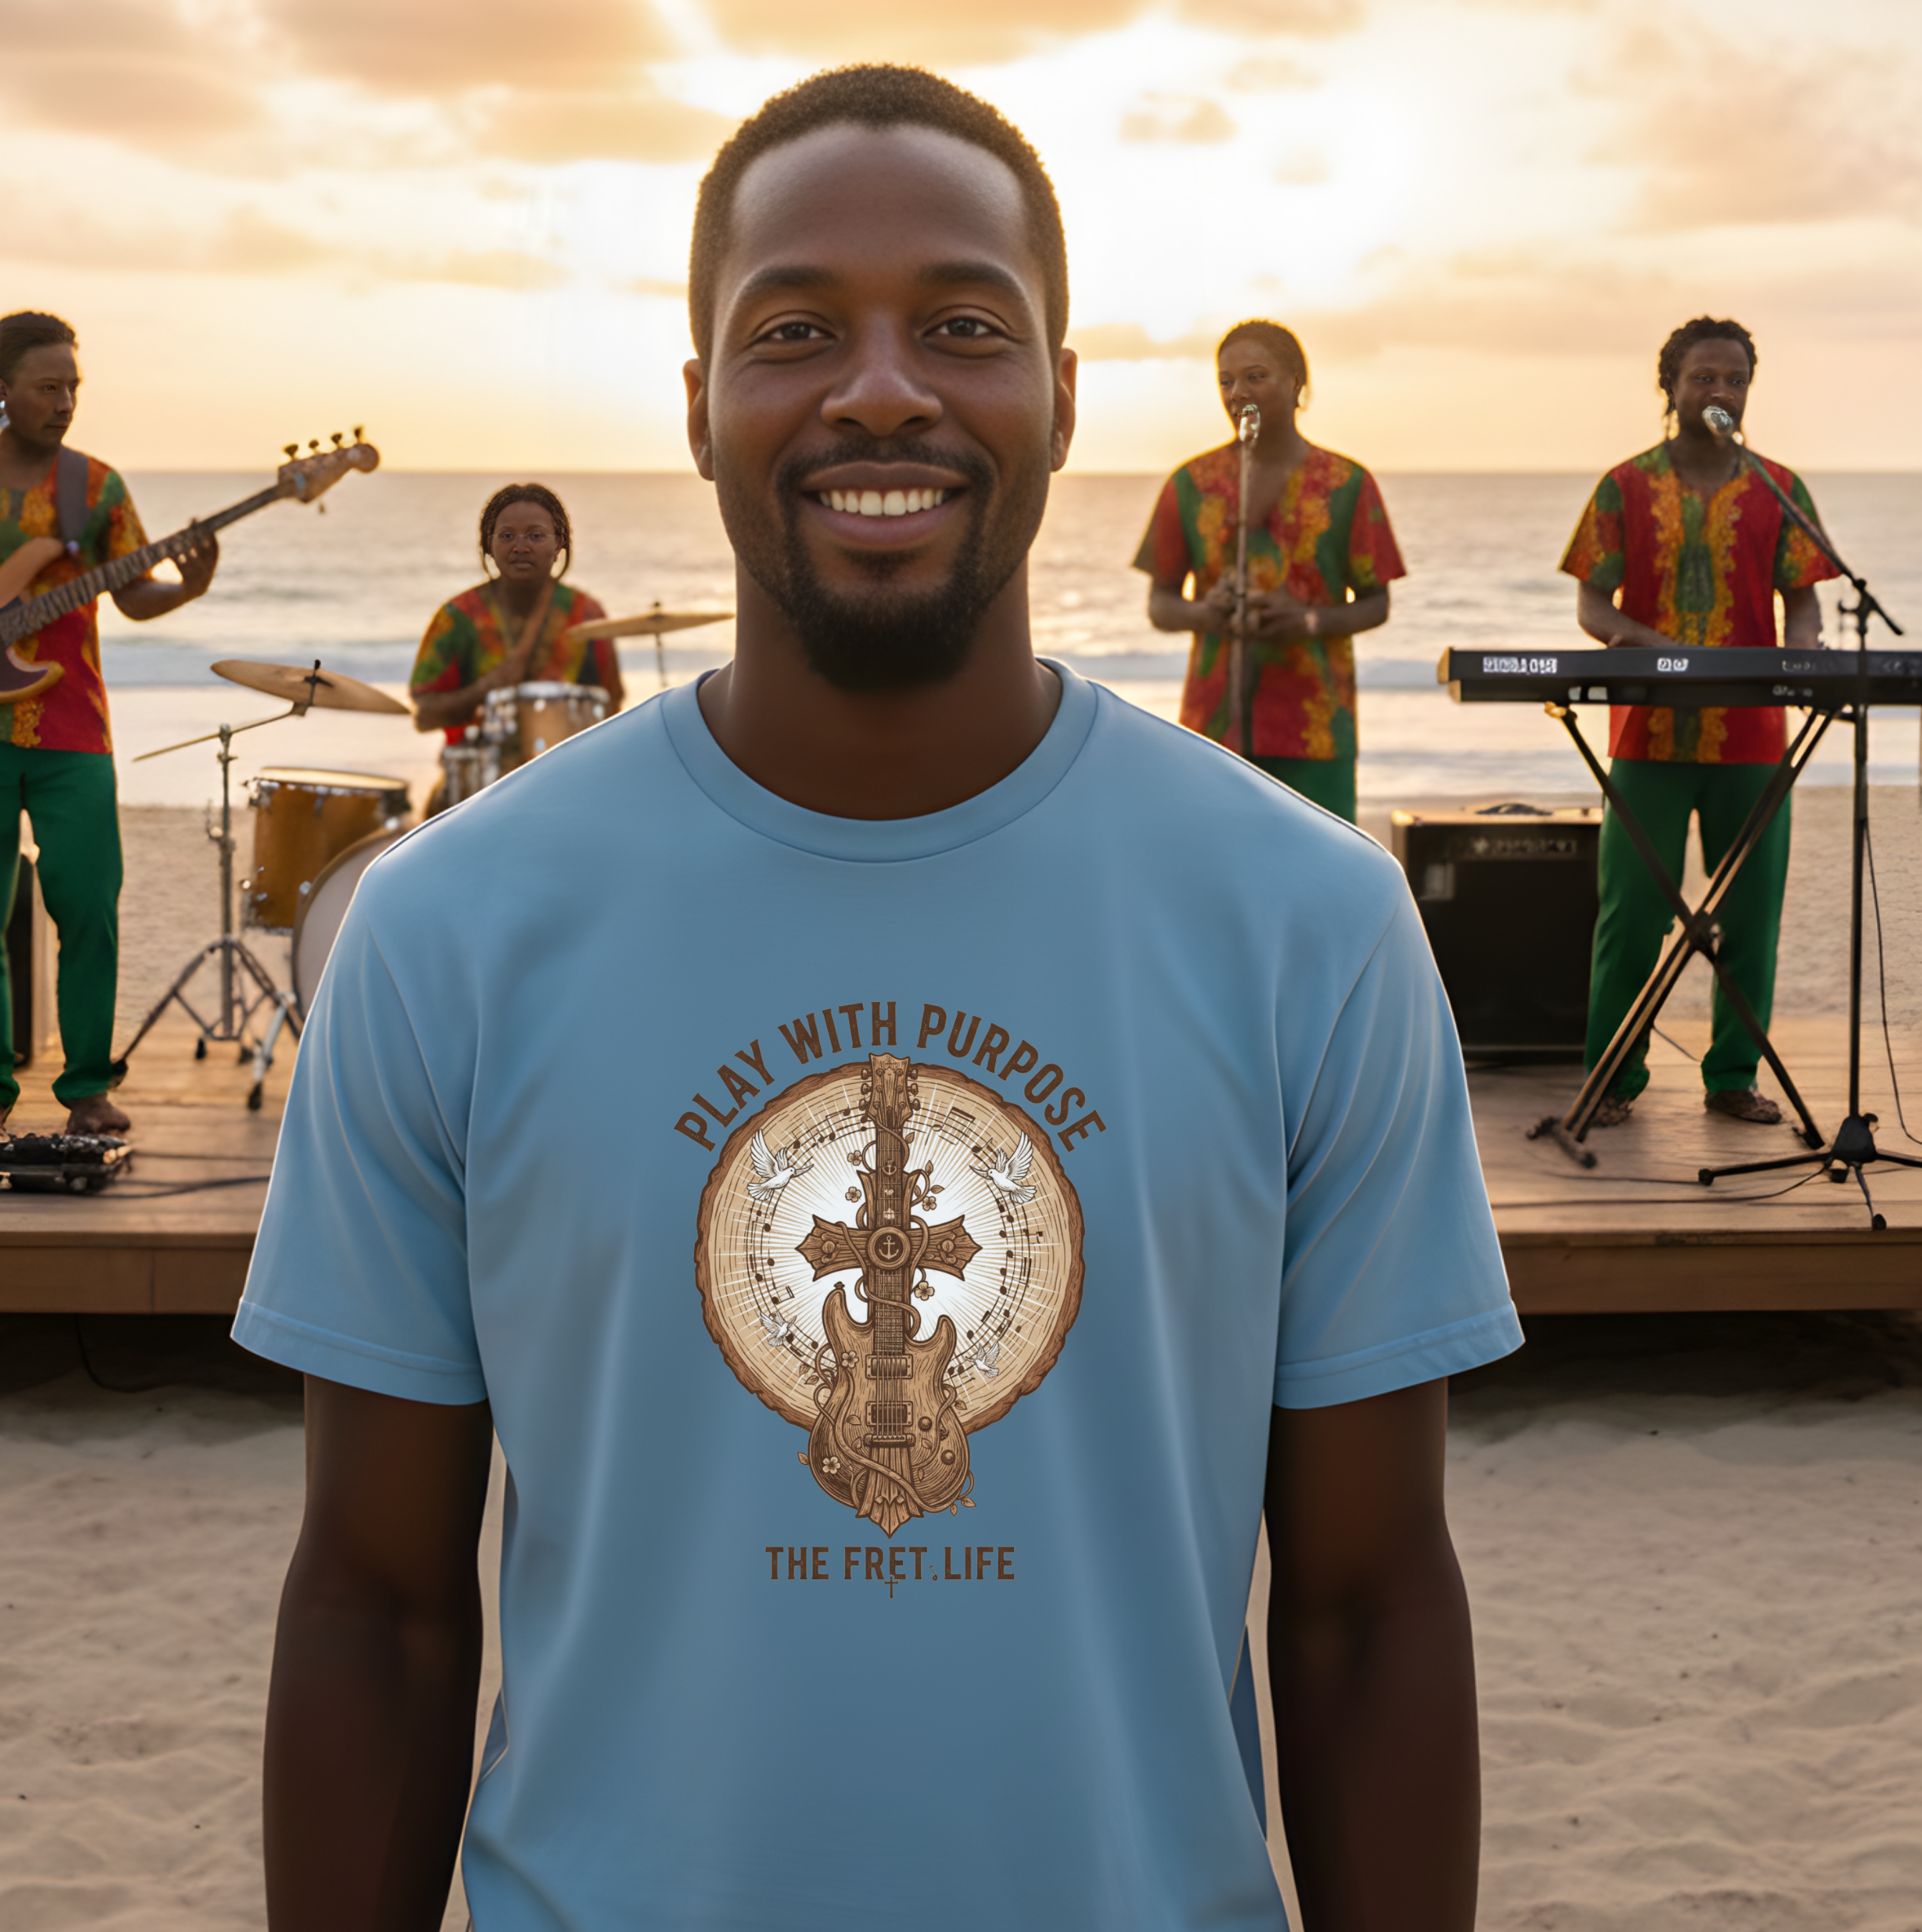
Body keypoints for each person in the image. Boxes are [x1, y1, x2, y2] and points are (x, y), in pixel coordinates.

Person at [235, 66, 1519, 1932]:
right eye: (797, 331)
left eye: (963, 325)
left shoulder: (1307, 923)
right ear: (698, 402)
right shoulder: (449, 932)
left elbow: (1369, 1605)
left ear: (1064, 393)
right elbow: (376, 1603)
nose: (883, 389)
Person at [1561, 316, 1836, 1128]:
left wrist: (1804, 657)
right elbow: (1591, 607)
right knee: (1633, 915)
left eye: (1736, 380)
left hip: (1752, 738)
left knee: (1751, 915)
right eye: (1705, 377)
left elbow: (1804, 601)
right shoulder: (1624, 486)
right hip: (1648, 737)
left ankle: (1733, 1076)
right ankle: (1613, 1077)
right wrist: (1653, 647)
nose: (1722, 391)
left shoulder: (1779, 487)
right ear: (1671, 386)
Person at [0, 311, 218, 1139]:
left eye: (74, 387)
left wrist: (189, 586)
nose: (65, 403)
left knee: (90, 909)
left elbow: (135, 595)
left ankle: (87, 1089)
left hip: (73, 730)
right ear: (0, 388)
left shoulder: (97, 487)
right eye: (47, 386)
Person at [1134, 321, 1404, 823]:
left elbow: (1377, 603)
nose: (1238, 393)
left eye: (1255, 377)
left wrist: (1308, 621)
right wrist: (1208, 614)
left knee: (1319, 864)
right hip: (1213, 731)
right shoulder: (1191, 484)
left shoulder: (1346, 483)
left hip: (1316, 730)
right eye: (1226, 381)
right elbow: (1161, 605)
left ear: (1297, 383)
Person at [409, 482, 622, 805]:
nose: (521, 547)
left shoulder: (586, 614)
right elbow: (424, 716)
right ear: (489, 545)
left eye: (536, 536)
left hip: (565, 782)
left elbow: (611, 706)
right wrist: (487, 688)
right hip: (475, 793)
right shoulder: (457, 617)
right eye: (507, 536)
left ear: (558, 545)